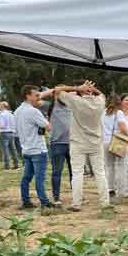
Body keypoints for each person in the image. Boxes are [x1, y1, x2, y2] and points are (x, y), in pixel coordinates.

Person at [48, 81, 109, 211]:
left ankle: (76, 204)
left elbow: (57, 89)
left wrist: (77, 88)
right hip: (95, 143)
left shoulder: (75, 100)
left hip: (78, 143)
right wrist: (93, 88)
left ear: (80, 92)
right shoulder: (99, 102)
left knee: (77, 173)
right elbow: (102, 95)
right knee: (100, 173)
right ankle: (105, 202)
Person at [15, 85, 54, 209]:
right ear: (28, 95)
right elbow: (48, 127)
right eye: (36, 95)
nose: (38, 97)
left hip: (26, 149)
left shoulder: (17, 111)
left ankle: (26, 201)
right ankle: (44, 202)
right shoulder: (33, 111)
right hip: (38, 149)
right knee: (40, 178)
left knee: (26, 177)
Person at [45, 90, 73, 204]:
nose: (64, 95)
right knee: (57, 172)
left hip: (72, 144)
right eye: (61, 93)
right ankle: (56, 198)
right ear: (55, 95)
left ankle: (77, 195)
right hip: (57, 144)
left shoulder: (71, 106)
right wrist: (54, 91)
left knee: (75, 172)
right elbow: (38, 99)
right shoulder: (51, 107)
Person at [103, 95, 128, 201]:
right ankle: (122, 191)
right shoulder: (118, 113)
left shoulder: (103, 112)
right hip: (117, 142)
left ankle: (110, 189)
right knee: (121, 166)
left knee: (109, 166)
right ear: (119, 103)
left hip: (105, 142)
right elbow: (123, 127)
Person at [0, 101, 19, 169]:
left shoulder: (2, 114)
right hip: (11, 133)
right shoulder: (11, 114)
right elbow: (14, 124)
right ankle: (16, 164)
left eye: (0, 105)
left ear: (3, 106)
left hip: (4, 133)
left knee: (5, 150)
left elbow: (2, 125)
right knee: (13, 149)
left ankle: (7, 165)